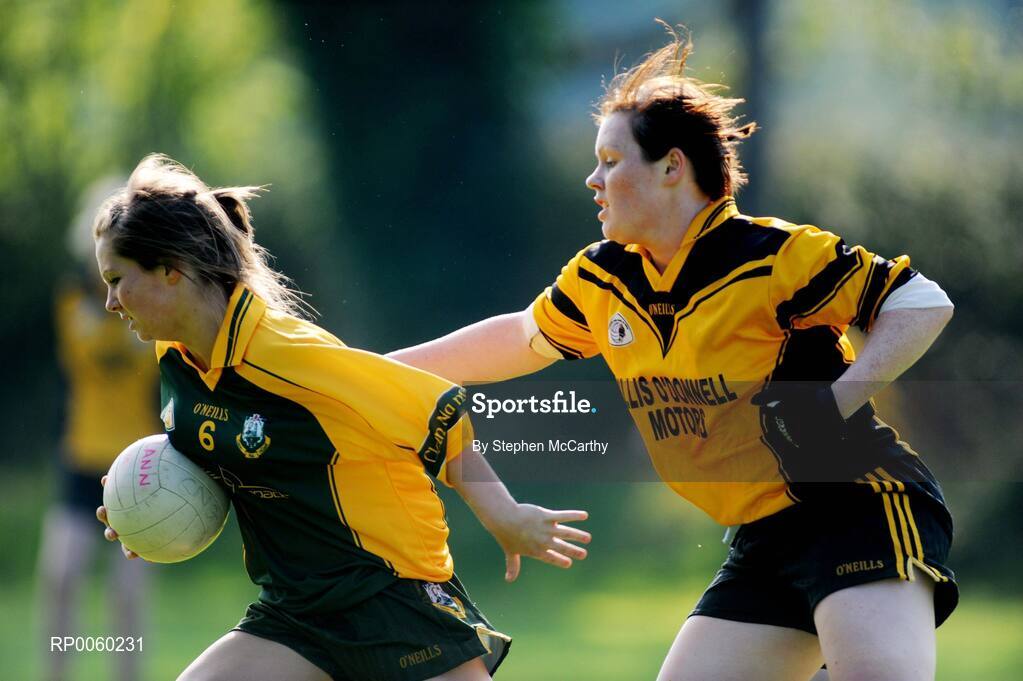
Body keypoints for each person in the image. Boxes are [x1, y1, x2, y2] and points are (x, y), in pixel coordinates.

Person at [388, 25, 957, 681]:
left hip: (858, 506)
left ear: (670, 168)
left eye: (608, 160)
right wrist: (377, 368)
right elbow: (520, 338)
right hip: (765, 535)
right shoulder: (605, 277)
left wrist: (834, 403)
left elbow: (921, 303)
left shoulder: (771, 256)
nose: (591, 179)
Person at [92, 154, 591, 681]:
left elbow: (436, 413)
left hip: (390, 594)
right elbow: (224, 449)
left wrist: (503, 516)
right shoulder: (174, 357)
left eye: (117, 279)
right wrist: (142, 508)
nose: (109, 301)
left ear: (170, 271)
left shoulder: (290, 357)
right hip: (296, 612)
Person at [37, 176, 158, 681]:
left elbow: (150, 356)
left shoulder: (152, 305)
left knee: (125, 594)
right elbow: (87, 350)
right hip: (83, 454)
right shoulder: (71, 302)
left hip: (137, 461)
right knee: (60, 575)